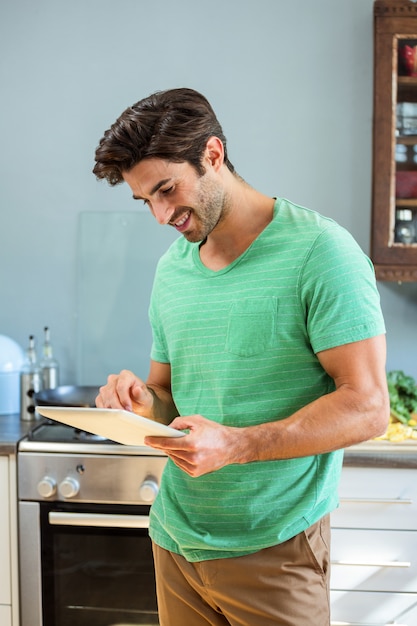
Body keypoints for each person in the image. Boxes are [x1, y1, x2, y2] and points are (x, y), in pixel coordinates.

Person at [92, 87, 389, 626]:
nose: (160, 215)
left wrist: (239, 445)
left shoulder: (321, 253)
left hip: (275, 550)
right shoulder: (172, 269)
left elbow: (367, 407)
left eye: (166, 190)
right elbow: (169, 397)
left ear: (212, 154)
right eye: (145, 201)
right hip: (176, 542)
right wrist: (141, 402)